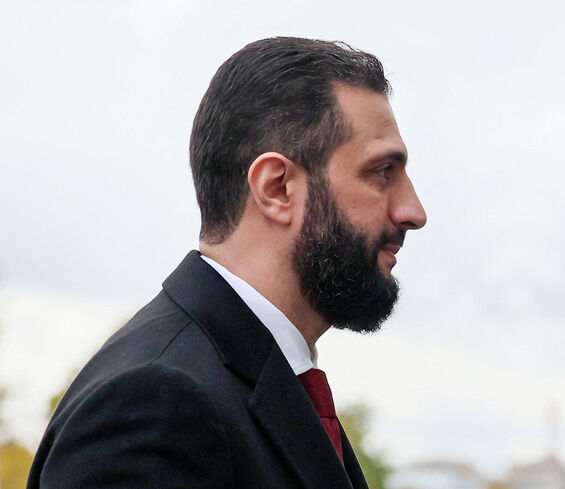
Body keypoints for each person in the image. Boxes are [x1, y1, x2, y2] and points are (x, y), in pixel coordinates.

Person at [27, 36, 427, 489]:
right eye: (381, 173)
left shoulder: (247, 382)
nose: (413, 211)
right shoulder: (156, 405)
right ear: (276, 189)